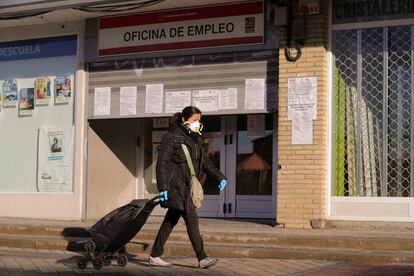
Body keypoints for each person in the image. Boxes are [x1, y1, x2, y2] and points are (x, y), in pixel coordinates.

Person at [149, 106, 227, 269]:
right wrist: (162, 187)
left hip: (186, 187)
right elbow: (161, 163)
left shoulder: (196, 139)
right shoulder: (171, 137)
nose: (198, 124)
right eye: (194, 121)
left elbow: (205, 162)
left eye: (199, 121)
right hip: (177, 187)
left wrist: (219, 177)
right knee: (192, 220)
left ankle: (155, 255)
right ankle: (202, 258)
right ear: (185, 121)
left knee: (170, 220)